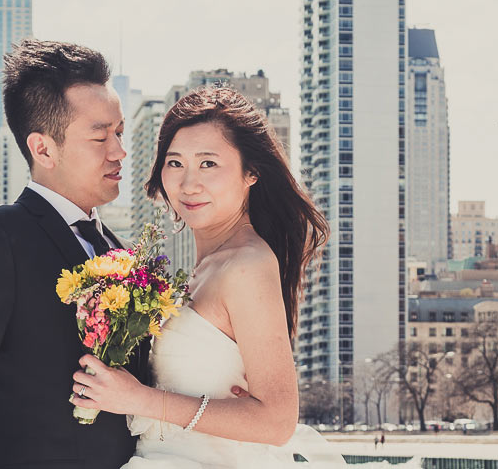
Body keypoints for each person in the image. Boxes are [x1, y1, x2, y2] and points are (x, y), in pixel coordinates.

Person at [0, 40, 159, 467]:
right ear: (43, 149)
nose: (119, 152)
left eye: (119, 132)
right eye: (100, 136)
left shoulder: (118, 250)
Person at [66, 86, 337, 468]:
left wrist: (138, 399)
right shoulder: (203, 269)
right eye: (175, 163)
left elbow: (277, 422)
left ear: (252, 172)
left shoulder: (247, 265)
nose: (188, 183)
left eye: (208, 163)